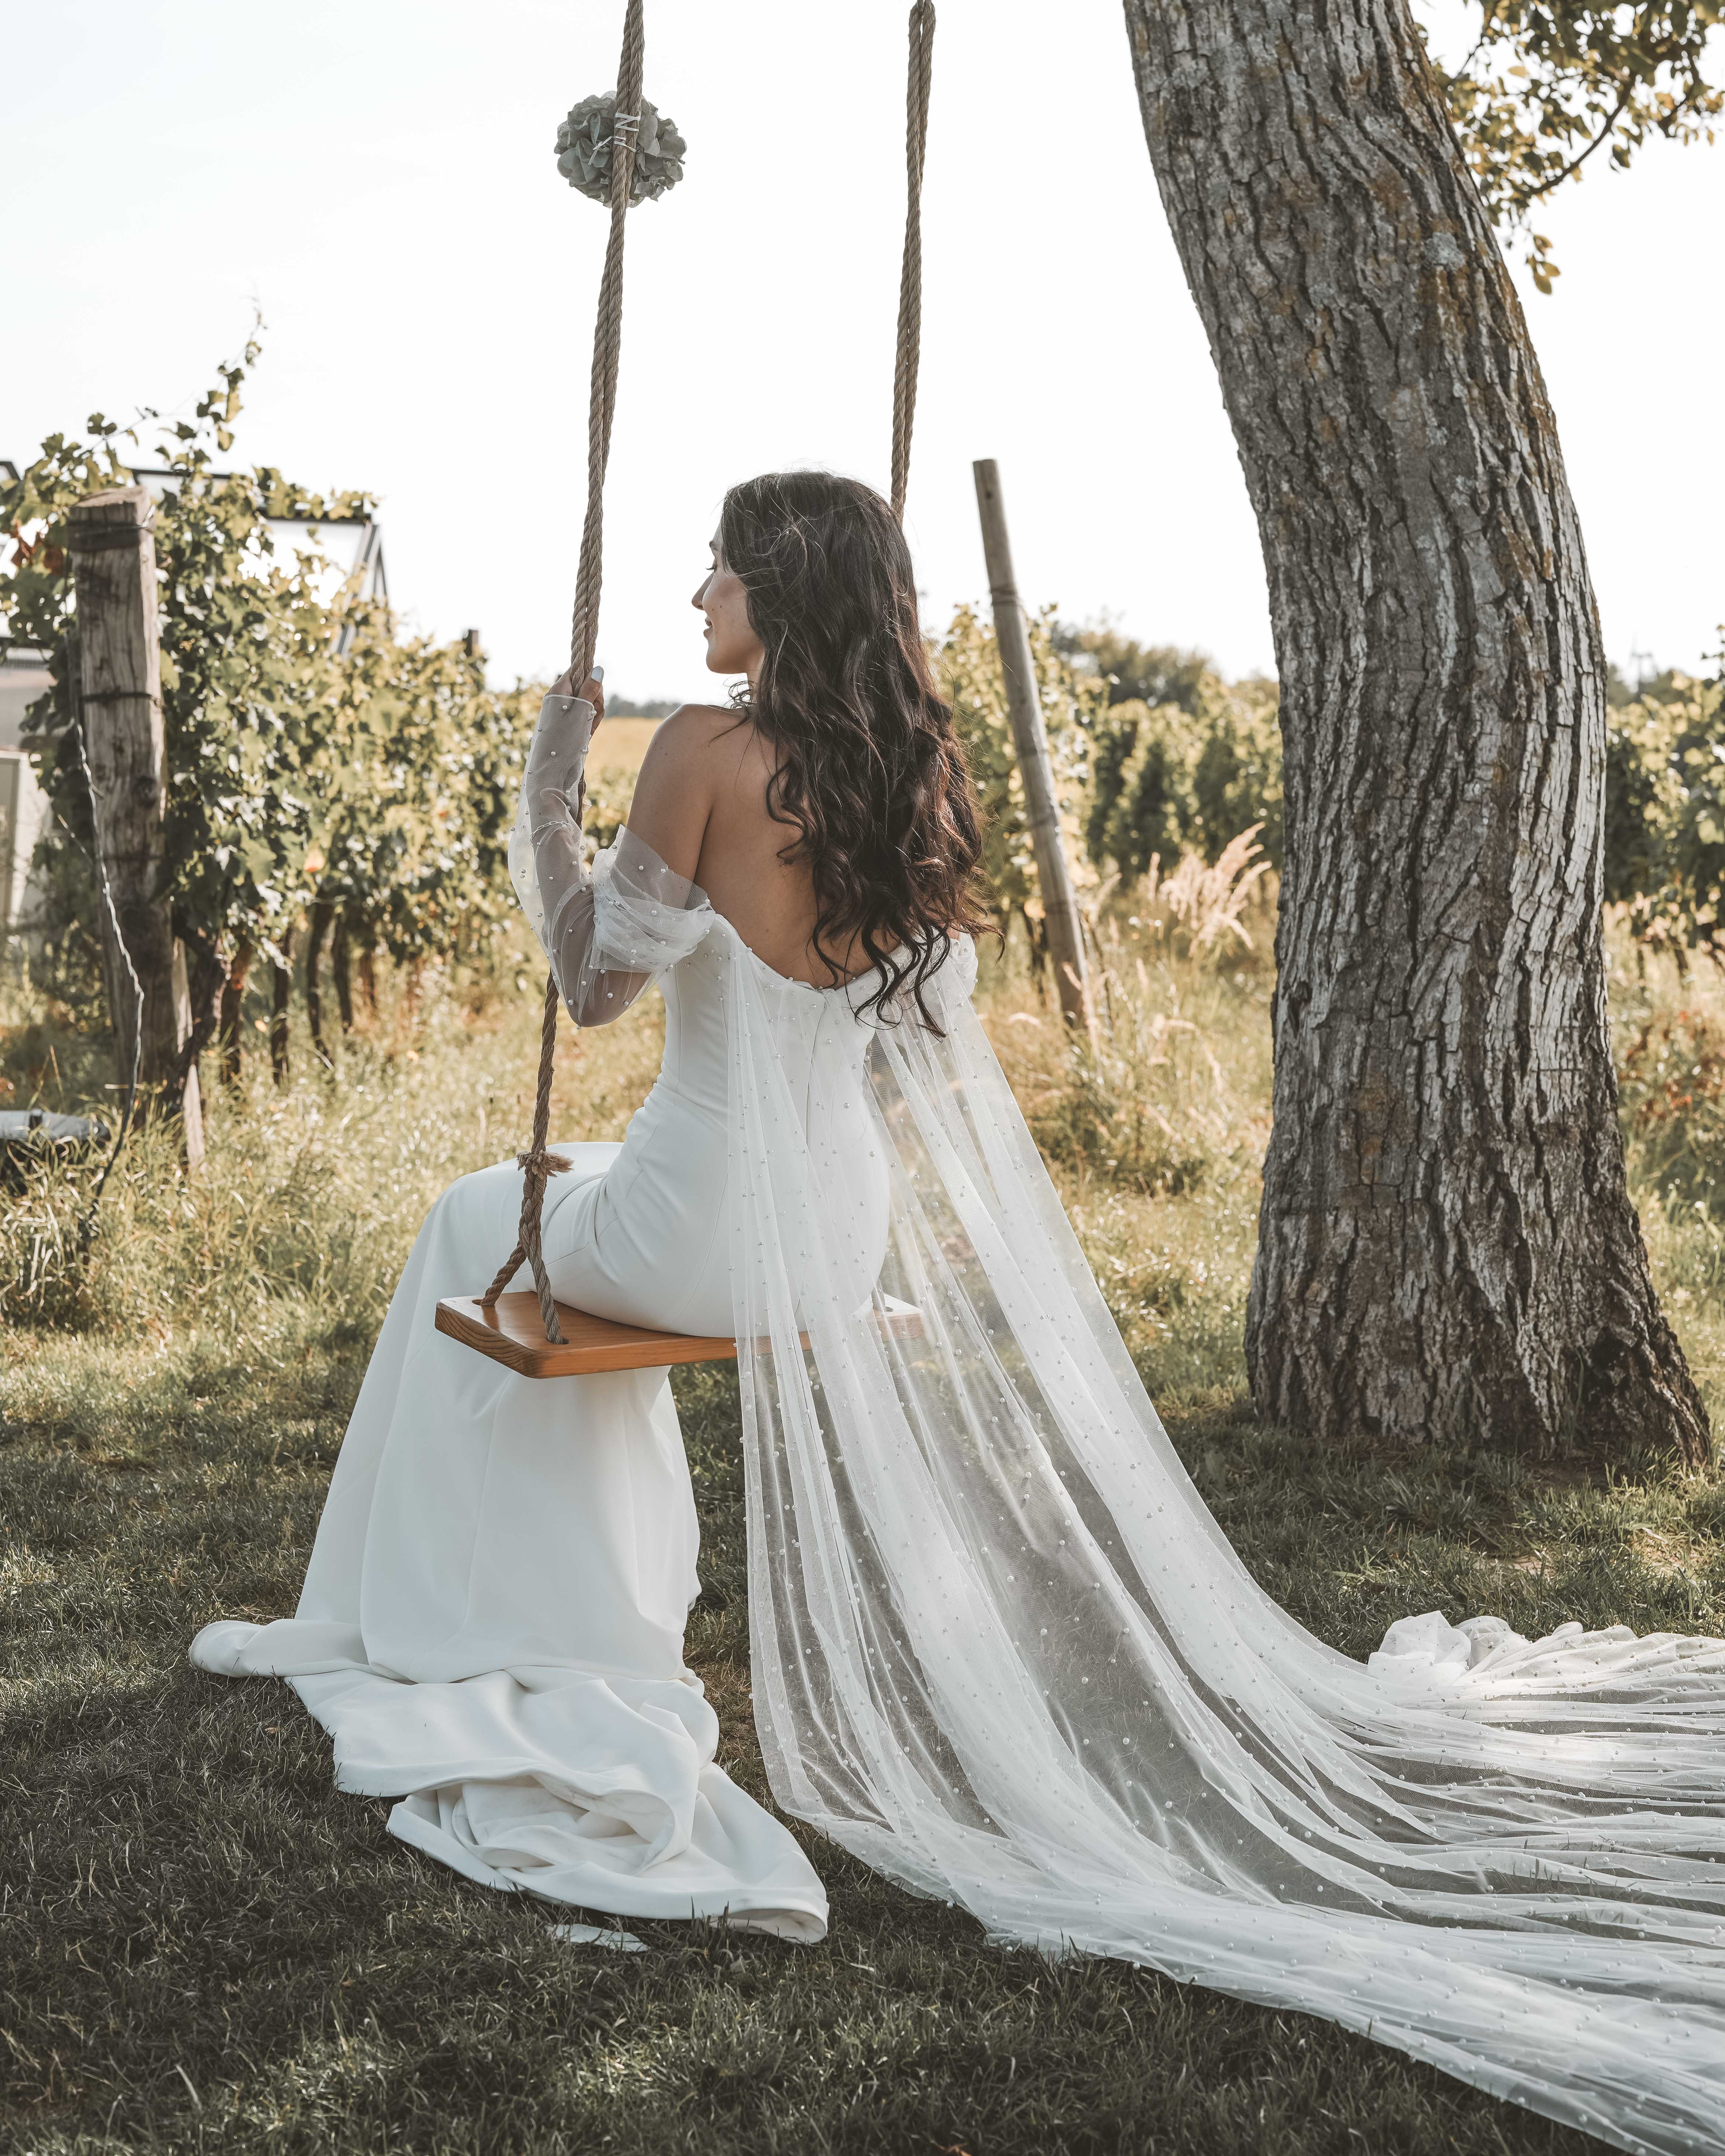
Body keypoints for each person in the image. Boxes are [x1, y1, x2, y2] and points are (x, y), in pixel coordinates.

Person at [195, 472, 1725, 2156]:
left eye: (719, 568)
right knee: (533, 1196)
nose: (697, 594)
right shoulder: (910, 770)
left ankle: (471, 1617)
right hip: (831, 1224)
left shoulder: (700, 751)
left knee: (469, 1216)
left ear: (779, 589)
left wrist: (543, 798)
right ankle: (551, 1603)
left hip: (696, 1223)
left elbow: (591, 982)